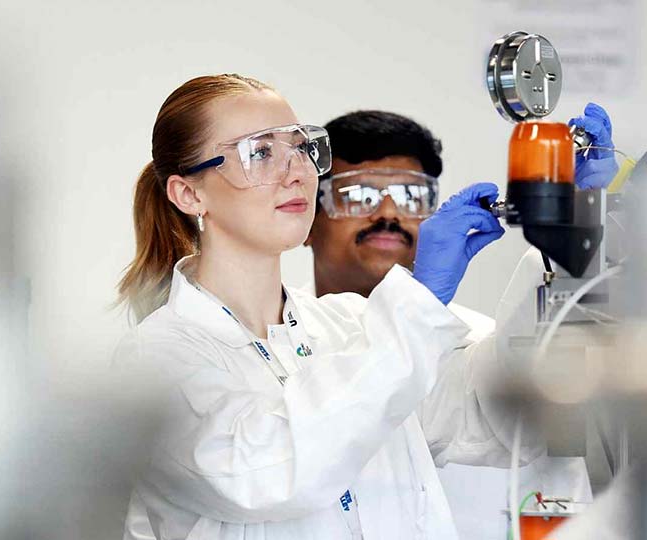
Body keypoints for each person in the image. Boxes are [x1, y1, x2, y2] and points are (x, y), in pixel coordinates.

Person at [113, 73, 544, 540]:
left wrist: (560, 252)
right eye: (260, 152)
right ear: (189, 194)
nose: (297, 172)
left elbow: (493, 413)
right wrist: (416, 304)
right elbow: (267, 471)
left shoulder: (350, 324)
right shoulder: (155, 361)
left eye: (301, 148)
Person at [305, 108, 617, 538]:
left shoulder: (481, 347)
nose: (389, 214)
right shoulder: (282, 349)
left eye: (411, 196)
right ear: (306, 216)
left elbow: (553, 460)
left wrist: (574, 238)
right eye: (359, 195)